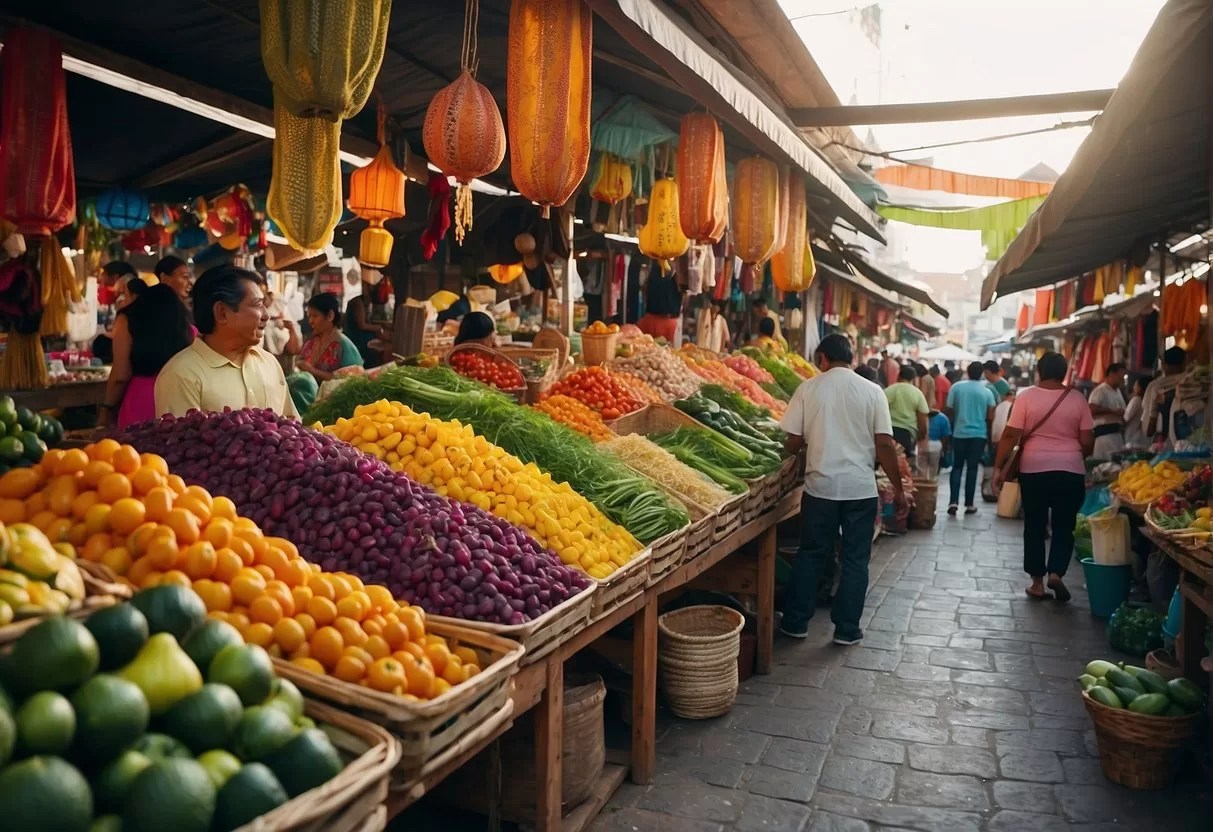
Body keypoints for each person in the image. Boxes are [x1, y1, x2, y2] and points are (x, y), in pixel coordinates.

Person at [778, 333, 906, 646]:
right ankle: (847, 629)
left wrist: (783, 457)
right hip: (860, 490)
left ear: (822, 358)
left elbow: (792, 441)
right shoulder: (873, 391)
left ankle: (796, 623)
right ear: (849, 357)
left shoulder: (809, 388)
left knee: (811, 554)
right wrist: (899, 488)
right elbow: (885, 444)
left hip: (820, 487)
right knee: (855, 560)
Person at [993, 352, 1093, 602]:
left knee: (1035, 525)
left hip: (1033, 469)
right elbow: (1087, 442)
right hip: (1070, 469)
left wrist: (997, 468)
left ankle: (1037, 583)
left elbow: (1010, 435)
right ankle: (1056, 572)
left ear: (1039, 371)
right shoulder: (1078, 399)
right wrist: (1071, 452)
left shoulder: (1026, 397)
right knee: (1063, 525)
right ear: (1064, 372)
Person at [154, 265, 298, 418]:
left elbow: (293, 426)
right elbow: (181, 439)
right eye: (257, 305)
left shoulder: (269, 363)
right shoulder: (181, 375)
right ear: (222, 313)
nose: (266, 315)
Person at [101, 284, 195, 428]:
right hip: (180, 399)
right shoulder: (189, 329)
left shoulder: (127, 320)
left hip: (140, 400)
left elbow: (121, 375)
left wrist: (106, 408)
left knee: (136, 449)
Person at [945, 362, 996, 516]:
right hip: (978, 435)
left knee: (957, 467)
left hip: (959, 433)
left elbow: (949, 410)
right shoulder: (987, 391)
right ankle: (969, 504)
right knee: (972, 469)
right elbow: (991, 415)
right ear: (981, 373)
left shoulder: (957, 387)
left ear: (967, 371)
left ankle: (953, 502)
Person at [295, 293, 364, 384]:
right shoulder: (310, 342)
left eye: (315, 316)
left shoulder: (343, 345)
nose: (310, 321)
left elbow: (351, 379)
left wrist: (313, 371)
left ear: (330, 316)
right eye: (309, 316)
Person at [1141, 347, 1187, 450]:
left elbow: (1149, 430)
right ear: (1184, 363)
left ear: (1163, 365)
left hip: (1165, 444)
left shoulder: (1156, 388)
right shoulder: (1191, 383)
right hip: (1190, 443)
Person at [885, 365, 929, 466]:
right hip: (907, 434)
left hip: (888, 431)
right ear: (913, 379)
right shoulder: (917, 393)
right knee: (904, 465)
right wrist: (922, 435)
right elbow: (922, 418)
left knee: (887, 464)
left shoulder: (889, 390)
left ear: (899, 376)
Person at [1088, 362, 1128, 458]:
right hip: (1105, 436)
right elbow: (1091, 410)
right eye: (1120, 377)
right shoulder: (1100, 390)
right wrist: (1113, 411)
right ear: (1111, 374)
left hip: (1117, 435)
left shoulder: (1118, 391)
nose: (1122, 380)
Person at [345, 283, 386, 368]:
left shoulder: (365, 302)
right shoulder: (358, 302)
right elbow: (362, 325)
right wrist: (378, 327)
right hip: (356, 338)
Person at [1122, 375, 1151, 450]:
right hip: (1144, 439)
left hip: (1132, 439)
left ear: (1140, 387)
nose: (1134, 387)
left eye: (1136, 385)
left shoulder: (1136, 400)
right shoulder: (1147, 401)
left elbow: (1126, 418)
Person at [925, 409, 952, 479]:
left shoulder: (921, 416)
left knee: (921, 472)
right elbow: (945, 437)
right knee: (934, 471)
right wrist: (944, 452)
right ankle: (932, 483)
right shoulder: (943, 418)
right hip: (936, 445)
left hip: (922, 444)